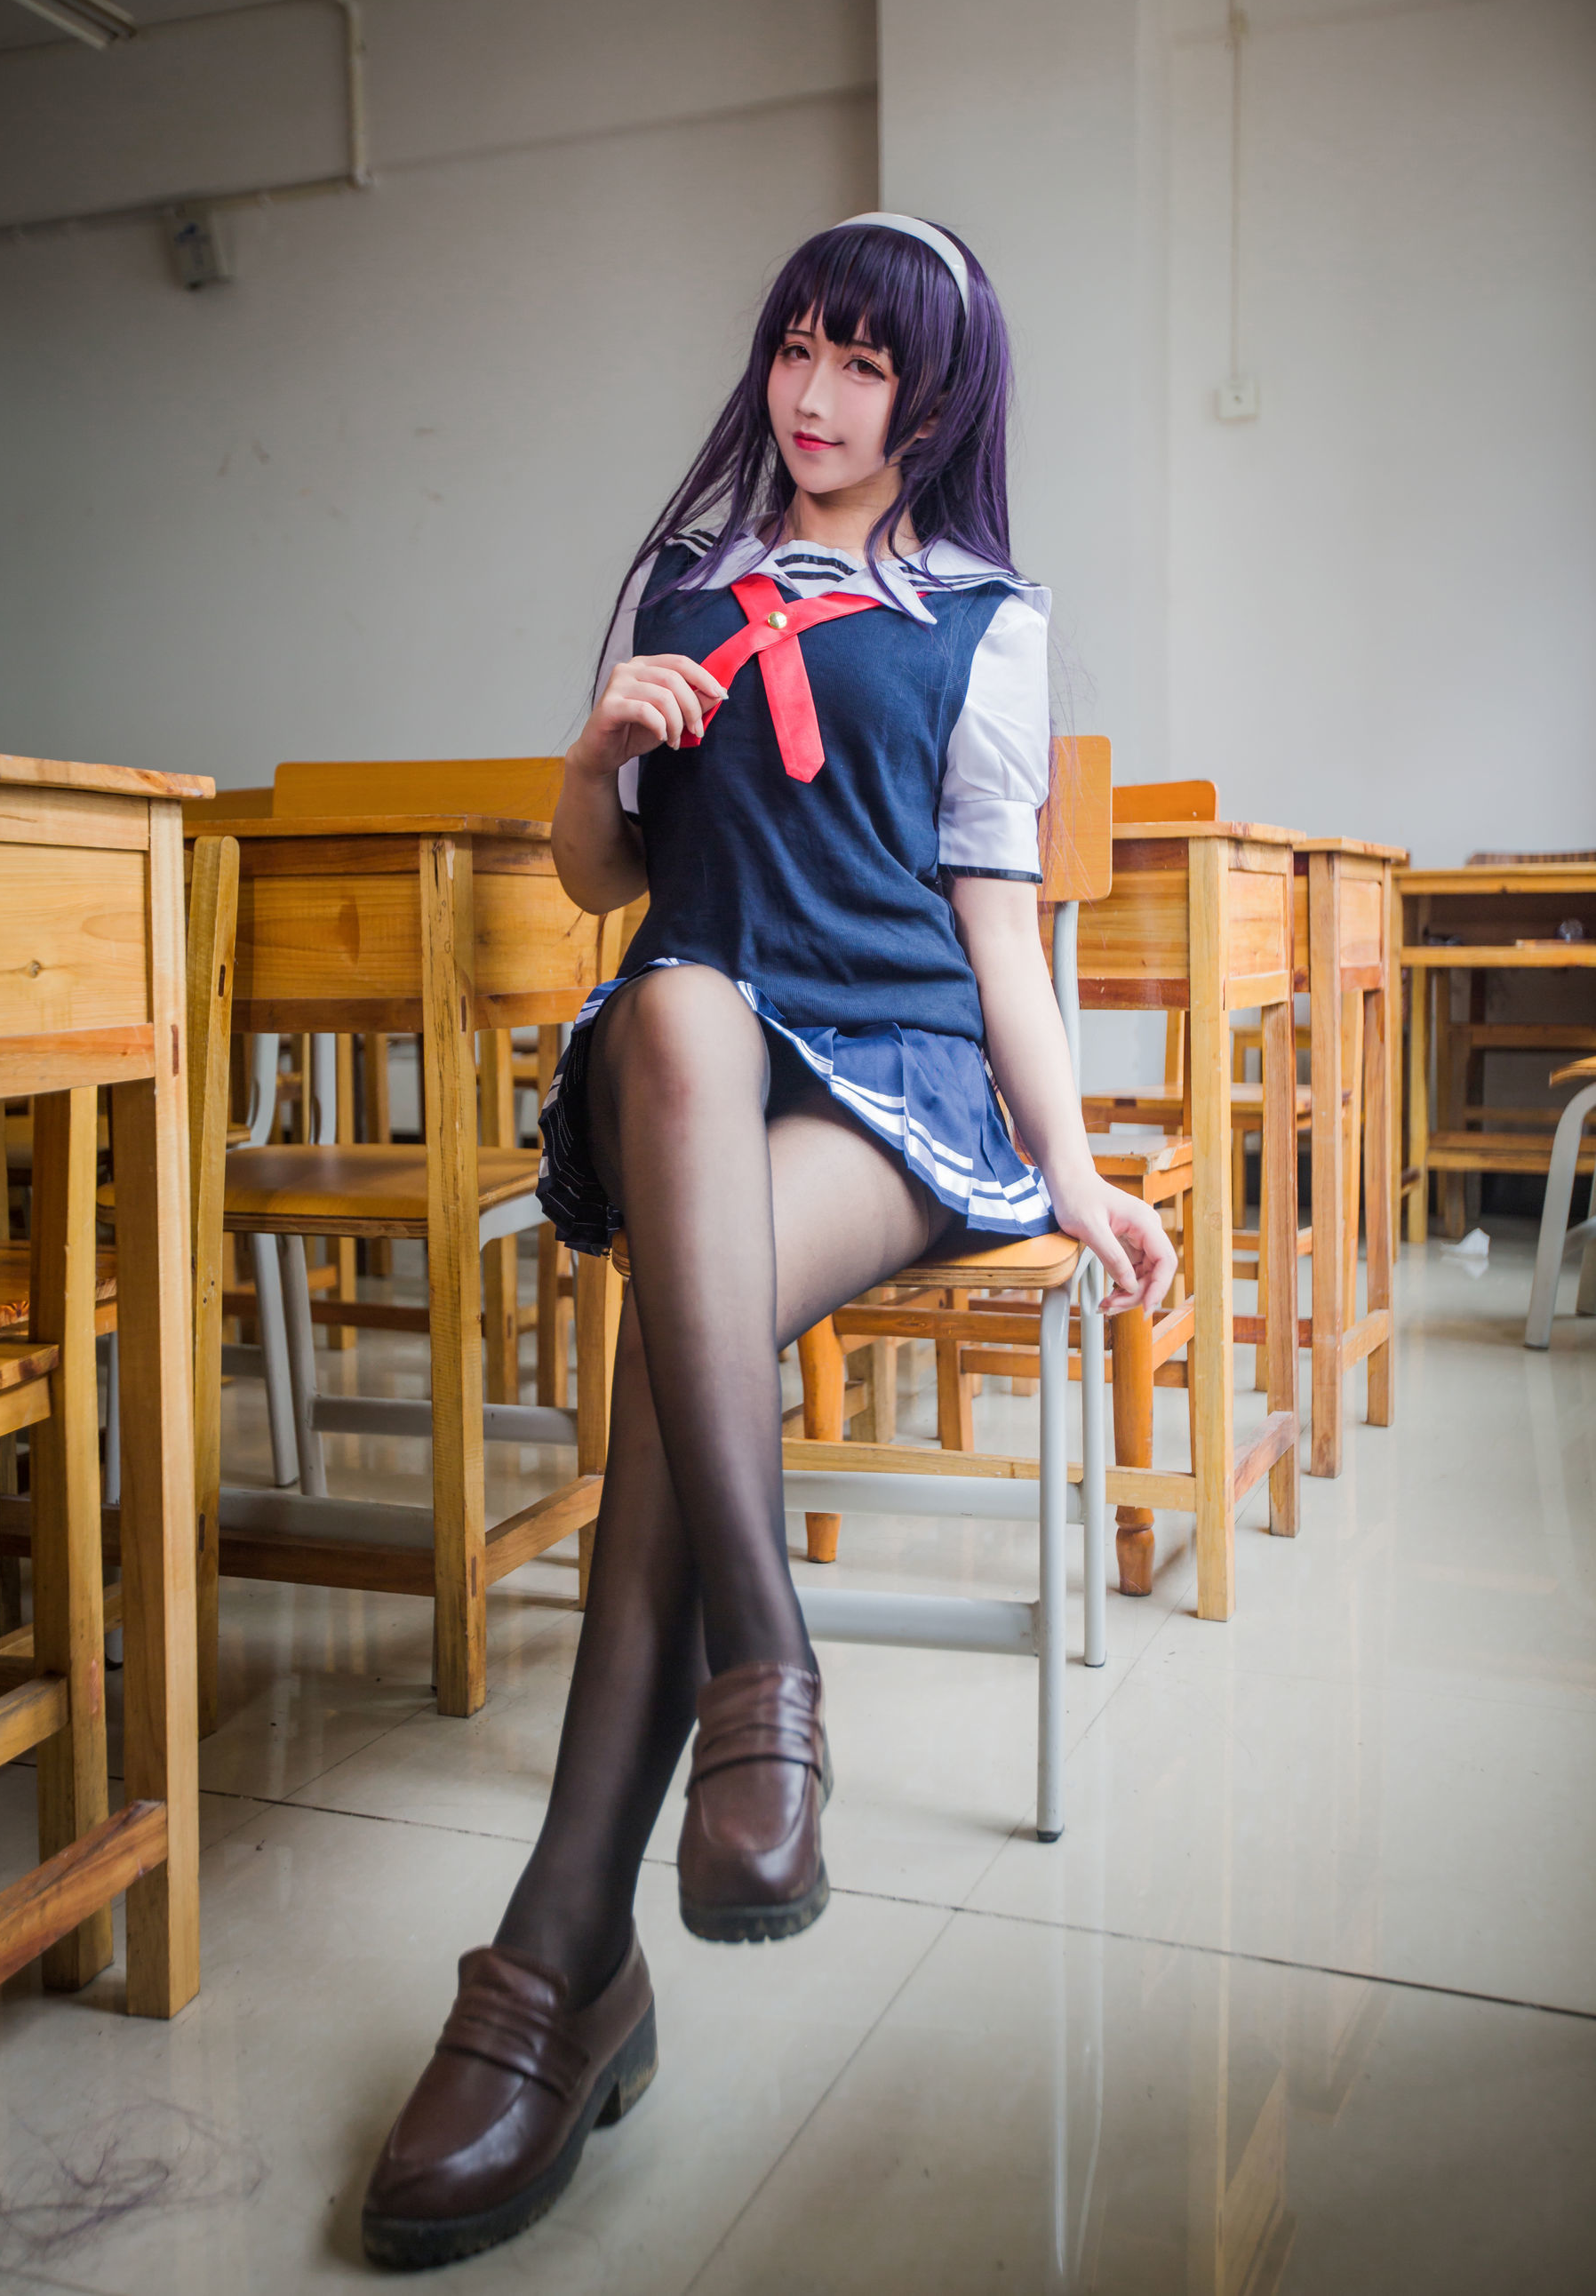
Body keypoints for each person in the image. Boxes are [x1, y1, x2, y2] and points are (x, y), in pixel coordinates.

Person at [362, 214, 1177, 2269]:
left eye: (863, 365)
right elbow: (600, 879)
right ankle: (763, 1677)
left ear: (936, 399)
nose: (815, 397)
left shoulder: (985, 623)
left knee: (683, 1316)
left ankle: (560, 1964)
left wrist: (1075, 1167)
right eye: (797, 352)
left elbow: (999, 930)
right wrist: (596, 757)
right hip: (697, 1072)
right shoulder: (686, 584)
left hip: (898, 1084)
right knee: (674, 1000)